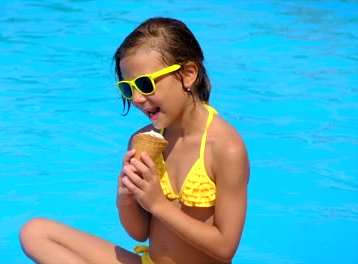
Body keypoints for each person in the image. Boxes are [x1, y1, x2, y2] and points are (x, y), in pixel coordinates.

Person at [19, 17, 250, 264]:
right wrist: (126, 200)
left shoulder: (226, 148)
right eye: (128, 88)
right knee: (35, 232)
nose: (138, 98)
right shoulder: (142, 141)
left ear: (188, 74)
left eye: (145, 84)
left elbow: (225, 247)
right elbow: (139, 232)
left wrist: (159, 205)